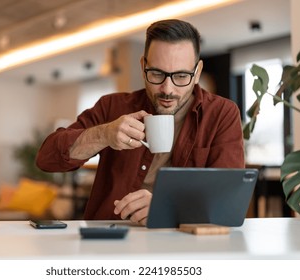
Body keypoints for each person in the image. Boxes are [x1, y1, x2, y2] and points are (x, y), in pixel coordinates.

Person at [36, 19, 244, 226]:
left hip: (182, 240)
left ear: (197, 72)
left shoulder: (221, 114)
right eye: (157, 74)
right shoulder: (112, 107)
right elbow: (47, 159)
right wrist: (104, 135)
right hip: (111, 237)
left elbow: (228, 198)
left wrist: (168, 208)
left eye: (181, 76)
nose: (167, 89)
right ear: (143, 65)